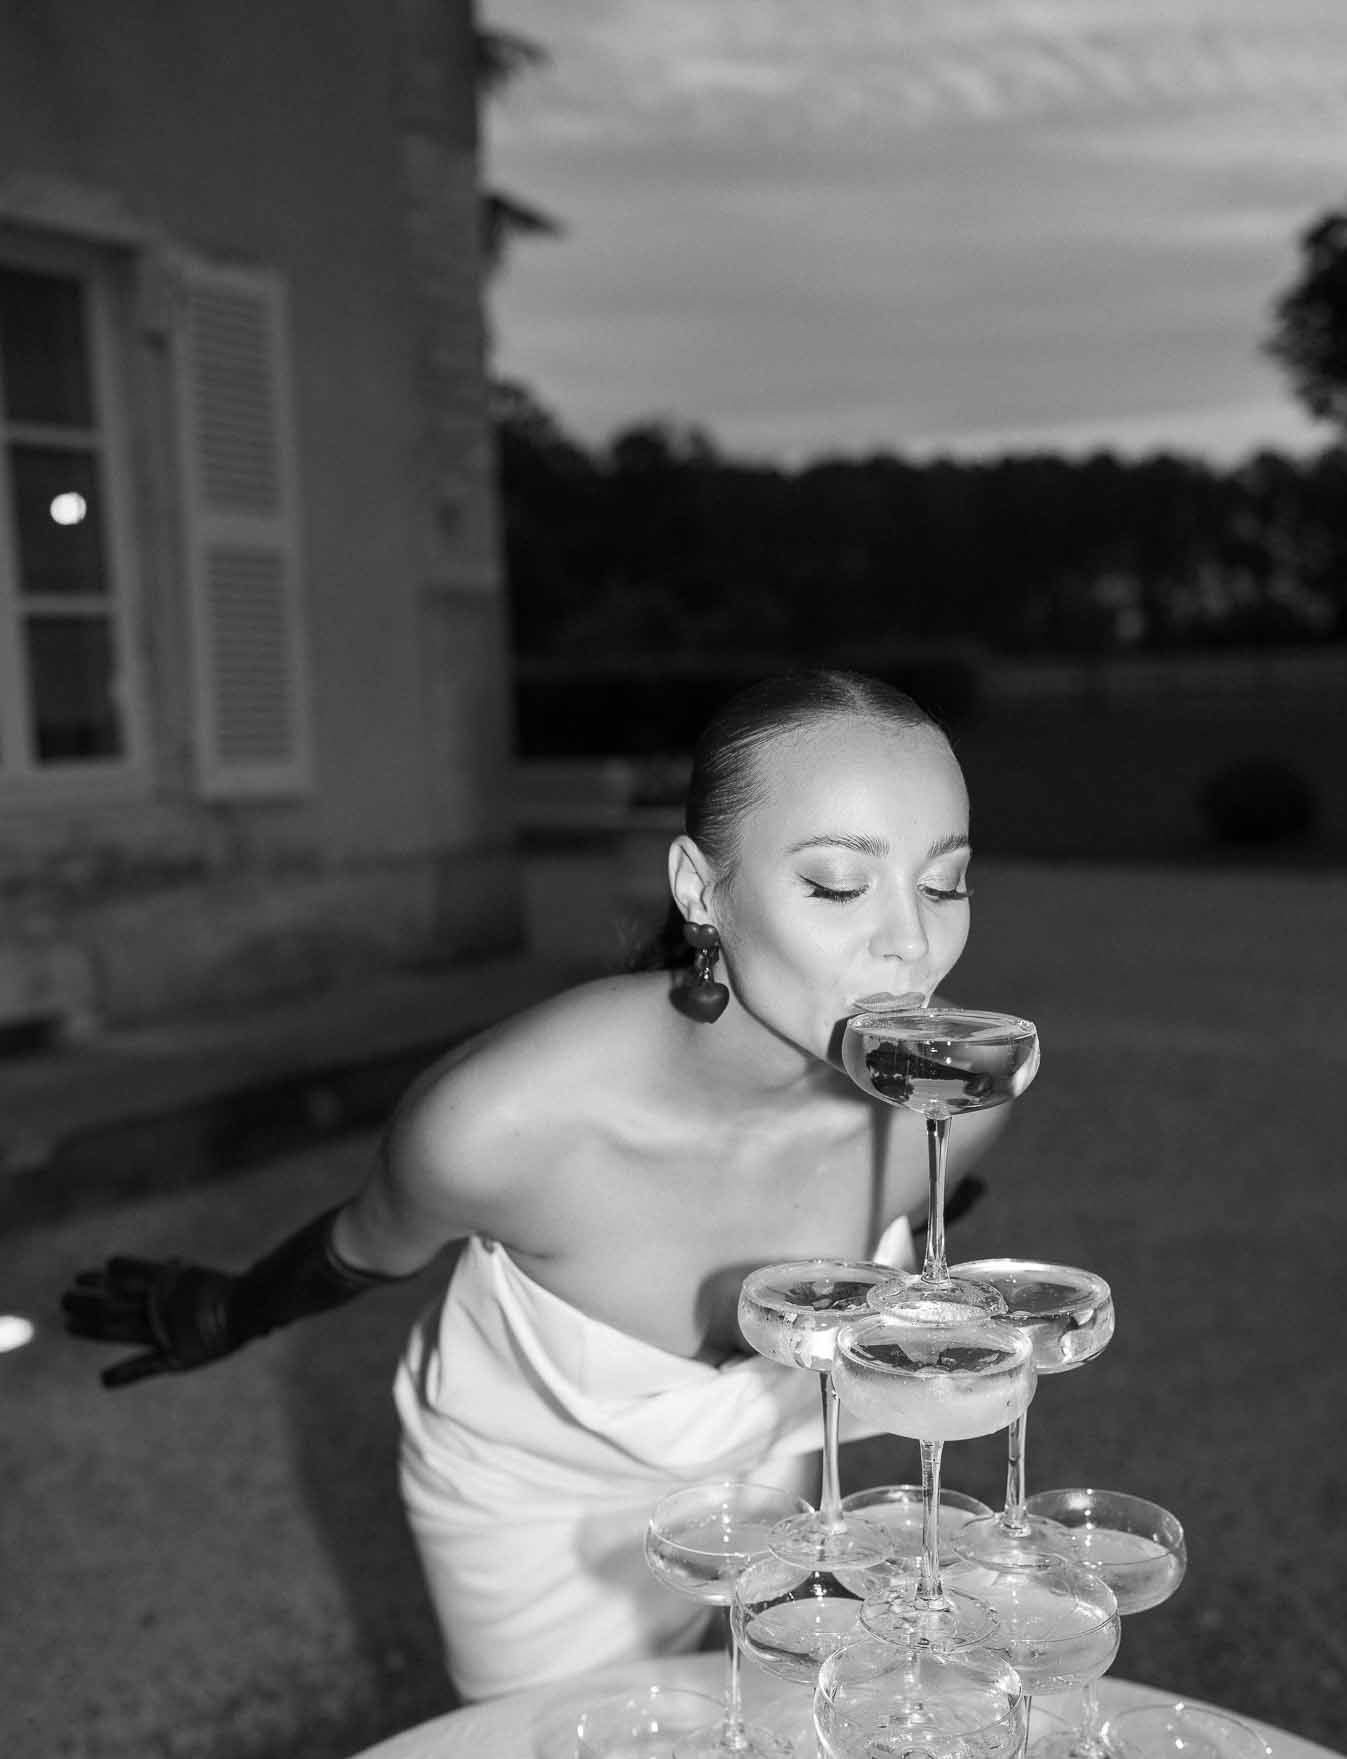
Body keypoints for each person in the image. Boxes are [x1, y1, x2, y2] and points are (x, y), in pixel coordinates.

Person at [61, 669, 1008, 1702]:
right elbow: (369, 1242)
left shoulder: (956, 1095)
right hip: (535, 1503)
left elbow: (919, 1218)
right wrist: (224, 1308)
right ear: (701, 887)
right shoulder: (499, 1122)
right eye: (837, 882)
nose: (911, 943)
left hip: (775, 1460)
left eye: (945, 881)